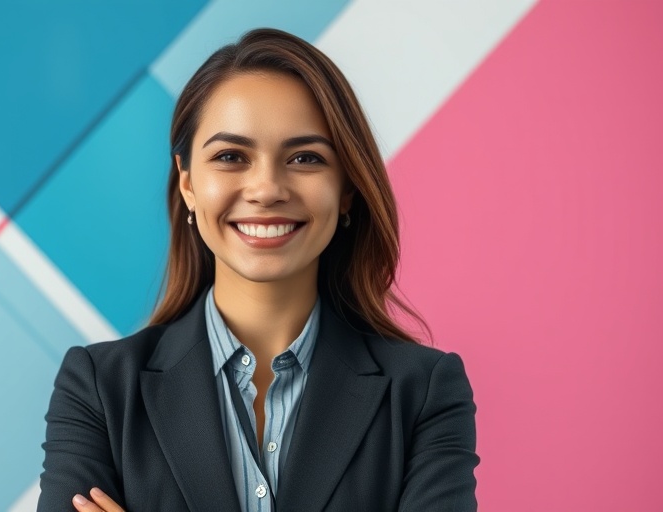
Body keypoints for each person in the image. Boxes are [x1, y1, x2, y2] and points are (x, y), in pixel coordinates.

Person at [37, 28, 478, 512]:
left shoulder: (423, 394)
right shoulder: (100, 389)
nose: (266, 189)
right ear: (188, 183)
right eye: (230, 157)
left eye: (305, 158)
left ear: (346, 188)